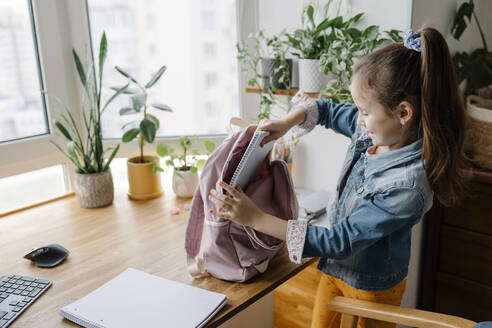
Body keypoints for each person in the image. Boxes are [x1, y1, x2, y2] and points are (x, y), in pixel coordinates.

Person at [208, 27, 470, 327]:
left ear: (403, 112)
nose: (358, 119)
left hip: (373, 288)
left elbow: (339, 240)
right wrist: (285, 123)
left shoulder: (408, 187)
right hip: (335, 271)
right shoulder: (376, 130)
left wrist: (255, 219)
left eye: (364, 111)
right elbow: (327, 109)